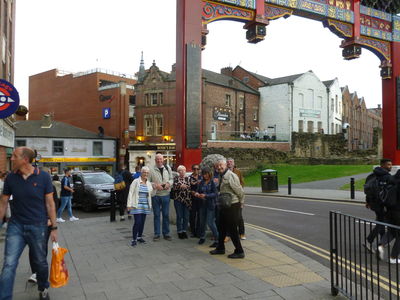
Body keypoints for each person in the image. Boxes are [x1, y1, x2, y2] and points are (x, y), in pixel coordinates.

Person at [0, 147, 58, 300]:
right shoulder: (11, 178)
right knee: (9, 264)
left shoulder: (44, 177)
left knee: (40, 262)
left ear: (25, 159)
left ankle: (43, 287)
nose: (11, 159)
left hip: (38, 226)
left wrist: (54, 227)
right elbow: (3, 202)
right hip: (16, 226)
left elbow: (50, 204)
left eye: (14, 156)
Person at [210, 158, 245, 259]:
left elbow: (240, 191)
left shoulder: (231, 176)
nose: (219, 167)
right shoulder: (221, 176)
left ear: (225, 165)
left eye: (221, 165)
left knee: (233, 229)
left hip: (233, 205)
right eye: (217, 166)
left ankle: (239, 251)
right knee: (221, 227)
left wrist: (241, 203)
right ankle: (220, 248)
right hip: (224, 205)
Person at [364, 158, 393, 253]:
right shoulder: (387, 177)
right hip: (382, 204)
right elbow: (390, 193)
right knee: (382, 223)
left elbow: (368, 190)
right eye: (388, 165)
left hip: (373, 203)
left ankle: (382, 240)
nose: (390, 166)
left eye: (391, 164)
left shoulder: (372, 175)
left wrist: (368, 202)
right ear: (383, 165)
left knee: (381, 220)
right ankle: (369, 240)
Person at [149, 153, 173, 241]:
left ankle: (166, 233)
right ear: (155, 160)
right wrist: (155, 185)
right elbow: (147, 182)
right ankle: (157, 234)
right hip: (156, 196)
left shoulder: (168, 168)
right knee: (156, 215)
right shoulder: (151, 170)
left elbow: (172, 179)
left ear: (163, 160)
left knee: (166, 215)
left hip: (166, 195)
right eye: (157, 159)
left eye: (160, 159)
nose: (159, 160)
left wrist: (168, 184)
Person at [127, 166, 153, 247]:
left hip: (145, 205)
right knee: (137, 222)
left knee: (142, 223)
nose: (146, 174)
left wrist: (155, 188)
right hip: (136, 205)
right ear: (141, 173)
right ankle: (134, 239)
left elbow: (151, 194)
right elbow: (130, 192)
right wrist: (129, 205)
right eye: (144, 172)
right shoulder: (136, 181)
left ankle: (139, 237)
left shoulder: (148, 183)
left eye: (147, 173)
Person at [196, 167, 219, 247]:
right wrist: (198, 194)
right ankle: (202, 237)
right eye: (203, 174)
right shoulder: (201, 182)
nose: (205, 175)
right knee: (202, 223)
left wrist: (206, 195)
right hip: (202, 205)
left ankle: (217, 240)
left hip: (210, 205)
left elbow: (215, 194)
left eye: (206, 174)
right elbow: (198, 191)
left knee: (210, 222)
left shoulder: (213, 182)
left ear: (209, 174)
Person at [227, 158, 246, 240]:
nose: (229, 163)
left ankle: (242, 233)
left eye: (231, 162)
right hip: (228, 198)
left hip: (237, 197)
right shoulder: (225, 172)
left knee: (239, 217)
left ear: (233, 163)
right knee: (228, 217)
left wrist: (239, 189)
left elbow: (242, 182)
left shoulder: (238, 172)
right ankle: (228, 235)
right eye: (228, 162)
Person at [172, 165, 191, 239]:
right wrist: (180, 186)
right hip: (178, 200)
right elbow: (174, 188)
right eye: (180, 170)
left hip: (187, 200)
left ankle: (184, 231)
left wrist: (185, 186)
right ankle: (179, 231)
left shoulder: (188, 178)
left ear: (185, 171)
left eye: (183, 170)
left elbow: (191, 187)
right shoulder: (175, 178)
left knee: (186, 217)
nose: (182, 172)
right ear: (178, 172)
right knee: (179, 216)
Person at [189, 164, 201, 238]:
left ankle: (199, 232)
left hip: (200, 199)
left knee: (200, 216)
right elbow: (188, 188)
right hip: (192, 199)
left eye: (197, 169)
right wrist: (192, 192)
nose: (196, 170)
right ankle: (193, 232)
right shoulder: (189, 178)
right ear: (192, 169)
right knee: (192, 216)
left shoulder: (202, 177)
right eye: (194, 169)